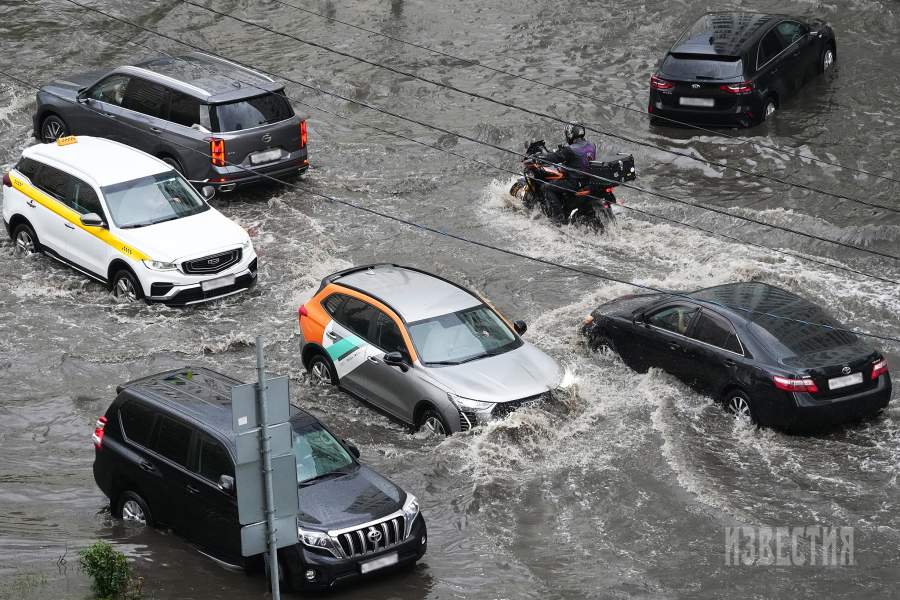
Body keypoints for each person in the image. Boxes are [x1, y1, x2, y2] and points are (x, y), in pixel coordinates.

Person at [539, 124, 597, 222]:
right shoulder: (592, 145)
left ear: (570, 134)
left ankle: (558, 219)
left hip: (575, 183)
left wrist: (541, 158)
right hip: (589, 182)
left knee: (546, 188)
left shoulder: (570, 149)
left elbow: (554, 158)